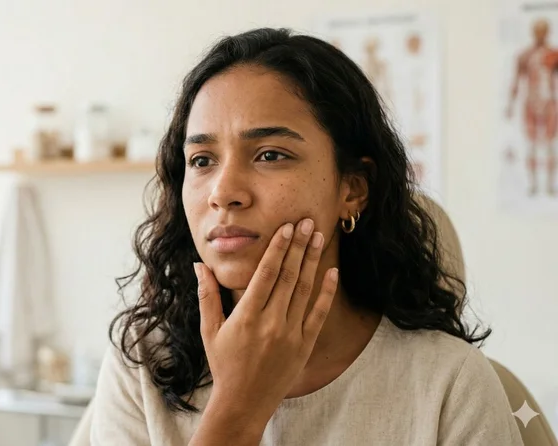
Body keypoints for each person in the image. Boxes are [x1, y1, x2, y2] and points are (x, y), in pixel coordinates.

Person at [91, 28, 523, 445]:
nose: (223, 193)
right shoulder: (143, 366)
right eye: (202, 160)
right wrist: (238, 408)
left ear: (352, 189)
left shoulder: (451, 385)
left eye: (270, 155)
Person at [506, 18, 558, 196]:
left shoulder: (554, 54)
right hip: (531, 102)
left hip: (549, 102)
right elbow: (516, 81)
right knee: (531, 145)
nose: (540, 34)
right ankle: (533, 185)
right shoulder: (525, 55)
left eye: (544, 30)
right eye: (537, 30)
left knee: (550, 144)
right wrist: (510, 104)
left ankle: (550, 186)